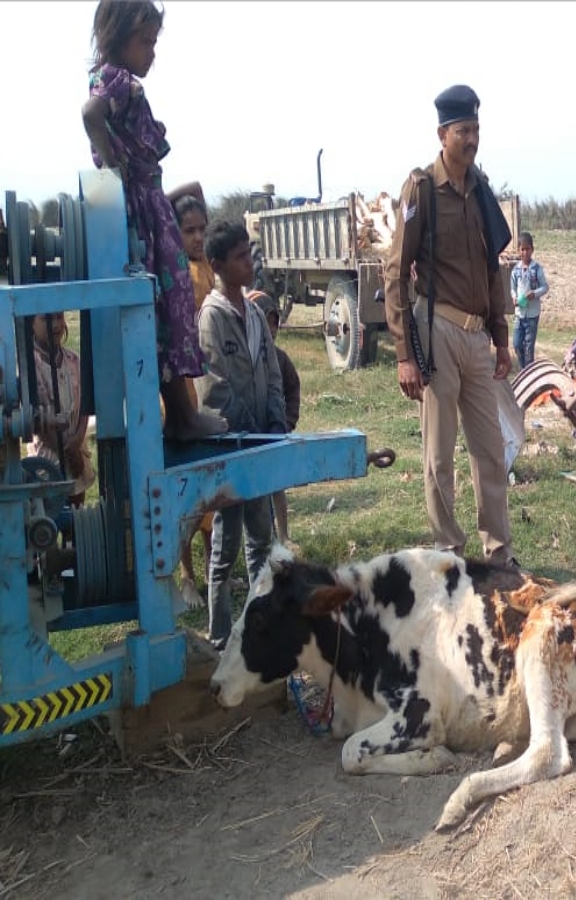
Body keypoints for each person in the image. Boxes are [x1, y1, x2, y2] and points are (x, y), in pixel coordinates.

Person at [382, 84, 517, 568]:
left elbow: (490, 269)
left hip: (477, 335)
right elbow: (395, 271)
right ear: (442, 134)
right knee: (439, 456)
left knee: (489, 449)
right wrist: (403, 353)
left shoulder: (480, 188)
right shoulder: (421, 189)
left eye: (476, 130)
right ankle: (448, 553)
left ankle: (498, 552)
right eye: (463, 131)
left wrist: (501, 338)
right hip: (437, 331)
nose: (472, 139)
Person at [80, 0, 226, 442]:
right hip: (141, 213)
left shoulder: (110, 79)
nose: (151, 52)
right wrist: (115, 170)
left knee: (163, 316)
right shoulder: (119, 82)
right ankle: (182, 418)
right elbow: (90, 115)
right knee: (170, 308)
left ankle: (179, 415)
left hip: (145, 205)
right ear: (116, 36)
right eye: (145, 42)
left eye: (154, 42)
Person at [193, 222, 286, 650]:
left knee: (261, 541)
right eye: (240, 257)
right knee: (225, 547)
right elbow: (215, 387)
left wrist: (276, 423)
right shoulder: (211, 317)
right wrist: (251, 431)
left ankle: (257, 633)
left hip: (261, 444)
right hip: (232, 447)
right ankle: (218, 638)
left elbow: (272, 373)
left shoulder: (252, 313)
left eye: (250, 254)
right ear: (217, 266)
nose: (250, 263)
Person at [171, 192, 215, 608]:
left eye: (202, 229)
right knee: (186, 488)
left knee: (210, 487)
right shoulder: (175, 270)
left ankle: (210, 569)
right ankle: (185, 575)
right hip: (181, 389)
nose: (198, 237)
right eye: (189, 230)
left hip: (207, 381)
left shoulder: (208, 269)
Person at [28, 312, 95, 508]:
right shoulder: (29, 368)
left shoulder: (74, 360)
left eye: (59, 317)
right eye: (47, 319)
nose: (56, 324)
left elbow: (85, 405)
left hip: (76, 453)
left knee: (77, 515)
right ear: (31, 323)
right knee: (48, 515)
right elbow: (34, 421)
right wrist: (67, 449)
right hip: (46, 459)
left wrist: (78, 440)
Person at [251, 291, 301, 550]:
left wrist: (288, 421)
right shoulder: (246, 360)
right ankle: (260, 540)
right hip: (251, 433)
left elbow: (293, 389)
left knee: (277, 485)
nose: (270, 329)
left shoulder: (281, 359)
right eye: (264, 322)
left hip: (275, 432)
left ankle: (283, 534)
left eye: (274, 323)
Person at [510, 231, 548, 371]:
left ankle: (529, 373)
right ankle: (524, 370)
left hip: (532, 314)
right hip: (519, 313)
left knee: (528, 347)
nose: (525, 252)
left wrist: (535, 294)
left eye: (527, 249)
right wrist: (514, 297)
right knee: (516, 344)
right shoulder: (515, 270)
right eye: (522, 249)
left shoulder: (536, 269)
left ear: (532, 250)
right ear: (519, 250)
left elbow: (545, 287)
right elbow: (512, 288)